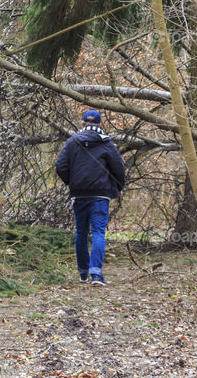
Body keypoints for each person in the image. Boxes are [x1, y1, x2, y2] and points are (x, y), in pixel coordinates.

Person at [54, 109, 126, 286]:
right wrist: (119, 187)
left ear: (82, 123)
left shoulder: (72, 142)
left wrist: (72, 181)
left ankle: (83, 273)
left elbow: (60, 166)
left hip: (78, 194)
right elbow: (119, 168)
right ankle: (96, 275)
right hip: (100, 194)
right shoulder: (106, 143)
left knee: (81, 232)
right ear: (100, 124)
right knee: (98, 232)